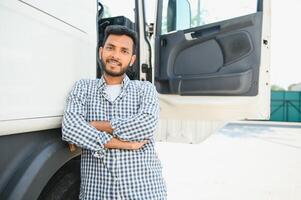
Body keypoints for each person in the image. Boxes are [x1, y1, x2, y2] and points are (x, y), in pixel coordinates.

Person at [62, 25, 167, 200]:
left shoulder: (145, 89)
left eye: (124, 51)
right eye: (111, 48)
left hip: (145, 192)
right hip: (97, 194)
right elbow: (70, 129)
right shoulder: (83, 87)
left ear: (132, 59)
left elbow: (146, 126)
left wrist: (95, 126)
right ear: (101, 52)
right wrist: (125, 144)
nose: (115, 55)